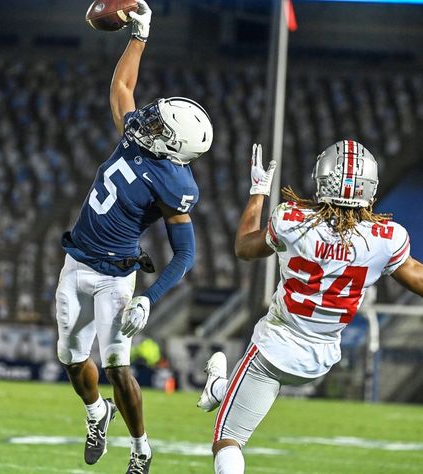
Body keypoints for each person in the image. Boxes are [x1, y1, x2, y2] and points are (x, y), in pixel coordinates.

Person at [197, 140, 423, 474]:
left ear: (322, 178)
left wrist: (258, 190)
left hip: (273, 351)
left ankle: (221, 389)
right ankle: (219, 388)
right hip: (322, 358)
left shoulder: (291, 220)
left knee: (226, 439)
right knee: (240, 395)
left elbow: (245, 247)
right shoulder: (386, 238)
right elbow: (417, 275)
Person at [55, 1, 213, 472]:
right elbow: (122, 86)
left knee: (117, 366)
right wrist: (139, 35)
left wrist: (150, 299)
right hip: (75, 262)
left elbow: (185, 253)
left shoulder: (176, 186)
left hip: (116, 277)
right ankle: (95, 412)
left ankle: (141, 448)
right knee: (69, 357)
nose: (150, 121)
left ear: (174, 145)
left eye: (161, 125)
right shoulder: (135, 137)